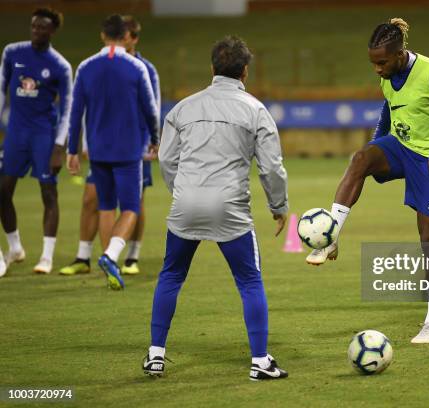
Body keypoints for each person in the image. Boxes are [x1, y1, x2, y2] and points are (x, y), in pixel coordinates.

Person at [306, 18, 429, 344]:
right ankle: (330, 237)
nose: (377, 69)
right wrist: (374, 147)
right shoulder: (388, 73)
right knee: (359, 160)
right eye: (373, 62)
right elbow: (389, 107)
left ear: (401, 54)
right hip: (400, 147)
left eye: (382, 62)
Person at [143, 36, 289, 381]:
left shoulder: (183, 108)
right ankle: (260, 362)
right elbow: (271, 167)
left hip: (186, 204)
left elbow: (165, 158)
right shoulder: (255, 110)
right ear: (245, 72)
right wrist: (279, 206)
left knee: (171, 275)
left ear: (212, 69)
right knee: (249, 280)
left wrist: (182, 191)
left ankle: (155, 355)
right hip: (230, 209)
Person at [59, 15, 160, 277]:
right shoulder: (136, 68)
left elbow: (75, 112)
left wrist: (72, 150)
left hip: (98, 150)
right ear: (125, 36)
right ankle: (110, 256)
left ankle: (108, 268)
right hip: (128, 150)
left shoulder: (85, 67)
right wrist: (156, 139)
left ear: (103, 35)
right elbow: (151, 109)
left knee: (105, 206)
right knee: (130, 207)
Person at [0, 7, 72, 275]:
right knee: (3, 191)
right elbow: (1, 89)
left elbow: (68, 108)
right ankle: (15, 247)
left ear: (52, 31)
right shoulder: (12, 52)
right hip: (15, 133)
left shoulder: (60, 66)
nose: (36, 31)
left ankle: (46, 257)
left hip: (43, 135)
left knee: (48, 192)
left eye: (42, 28)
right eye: (33, 26)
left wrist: (59, 147)